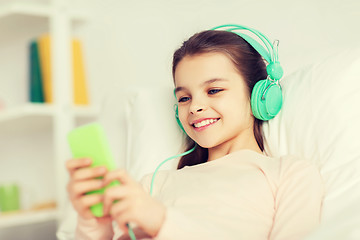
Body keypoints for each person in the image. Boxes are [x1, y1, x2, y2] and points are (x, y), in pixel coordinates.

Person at [66, 28, 324, 240]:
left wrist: (161, 221)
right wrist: (94, 224)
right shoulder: (154, 184)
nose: (195, 107)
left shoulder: (289, 174)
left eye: (213, 90)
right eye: (184, 97)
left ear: (260, 96)